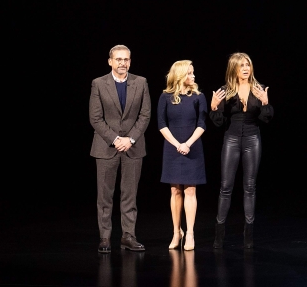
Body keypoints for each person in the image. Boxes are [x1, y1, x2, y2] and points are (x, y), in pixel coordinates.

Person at [88, 45, 152, 253]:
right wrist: (116, 139)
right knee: (105, 196)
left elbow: (145, 115)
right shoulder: (98, 84)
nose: (122, 63)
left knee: (129, 195)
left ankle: (128, 235)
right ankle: (105, 237)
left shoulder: (140, 82)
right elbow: (95, 118)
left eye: (126, 59)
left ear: (130, 62)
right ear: (110, 61)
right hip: (106, 147)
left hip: (133, 148)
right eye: (118, 59)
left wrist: (130, 139)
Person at [209, 52, 273, 249]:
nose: (246, 68)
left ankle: (248, 237)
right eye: (242, 65)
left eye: (248, 64)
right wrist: (214, 108)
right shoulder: (225, 90)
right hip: (232, 138)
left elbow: (266, 119)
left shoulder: (259, 89)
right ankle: (219, 236)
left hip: (253, 139)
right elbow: (219, 122)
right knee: (226, 187)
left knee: (250, 187)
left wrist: (265, 103)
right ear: (234, 69)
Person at [158, 60, 208, 250]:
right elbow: (161, 124)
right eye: (189, 73)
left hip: (192, 146)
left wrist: (187, 143)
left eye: (193, 73)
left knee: (190, 190)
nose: (193, 76)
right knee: (175, 190)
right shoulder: (165, 97)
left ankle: (190, 234)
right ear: (179, 75)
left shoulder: (198, 96)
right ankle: (176, 232)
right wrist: (177, 144)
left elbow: (202, 124)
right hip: (172, 146)